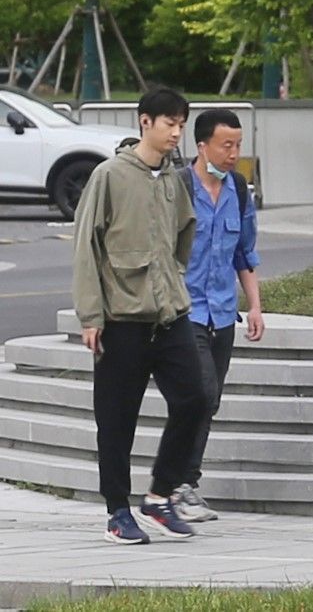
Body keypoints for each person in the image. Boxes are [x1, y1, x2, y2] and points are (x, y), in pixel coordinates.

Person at [72, 88, 203, 545]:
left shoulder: (174, 178)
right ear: (144, 122)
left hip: (170, 315)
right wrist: (91, 315)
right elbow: (85, 246)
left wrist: (174, 276)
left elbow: (186, 230)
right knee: (116, 419)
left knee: (195, 399)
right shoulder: (109, 175)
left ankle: (160, 495)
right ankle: (116, 511)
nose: (176, 132)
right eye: (169, 123)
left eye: (181, 124)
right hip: (121, 320)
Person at [173, 109, 264, 523]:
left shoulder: (239, 190)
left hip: (224, 314)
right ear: (202, 145)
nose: (234, 153)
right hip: (184, 312)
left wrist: (255, 306)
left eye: (239, 145)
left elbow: (244, 252)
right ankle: (177, 485)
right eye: (226, 145)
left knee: (209, 402)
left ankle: (184, 483)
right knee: (200, 394)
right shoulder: (177, 188)